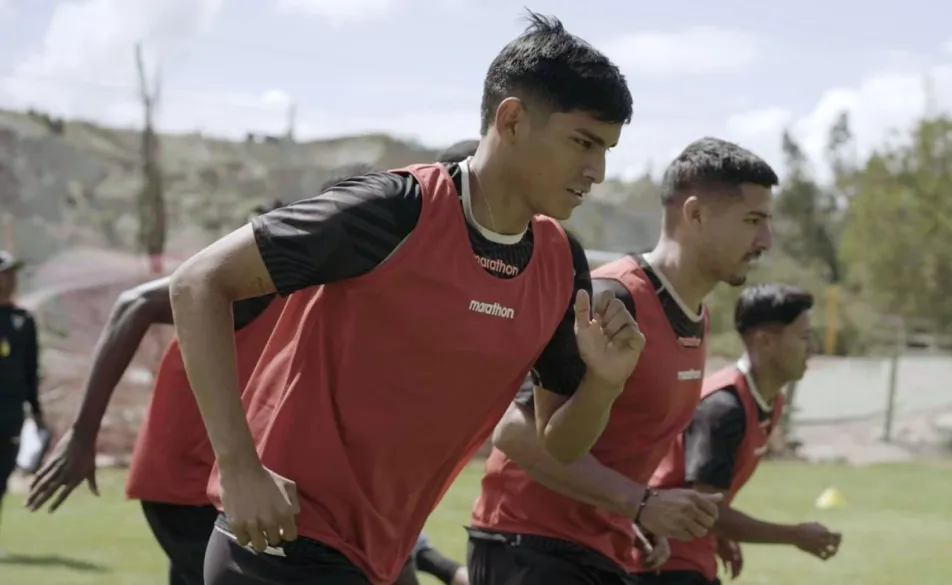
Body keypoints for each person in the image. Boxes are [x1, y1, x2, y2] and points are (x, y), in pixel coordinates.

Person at [169, 12, 643, 585]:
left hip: (381, 560)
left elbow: (560, 444)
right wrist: (240, 469)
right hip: (283, 543)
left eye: (607, 149)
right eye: (583, 142)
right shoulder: (392, 211)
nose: (597, 171)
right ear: (512, 119)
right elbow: (198, 283)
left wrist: (606, 382)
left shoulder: (562, 261)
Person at [24, 164, 369, 585]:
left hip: (231, 481)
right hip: (190, 482)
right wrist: (82, 435)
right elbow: (134, 305)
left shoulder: (333, 292)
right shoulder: (266, 279)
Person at [468, 137, 779, 585]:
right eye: (753, 220)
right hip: (529, 546)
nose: (765, 241)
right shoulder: (611, 299)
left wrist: (633, 515)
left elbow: (617, 446)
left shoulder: (698, 317)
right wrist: (640, 502)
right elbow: (514, 432)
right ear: (695, 215)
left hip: (603, 550)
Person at [638, 284, 842, 585]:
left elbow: (709, 507)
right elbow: (709, 512)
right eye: (802, 337)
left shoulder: (770, 402)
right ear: (765, 341)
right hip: (662, 561)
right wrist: (795, 535)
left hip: (691, 556)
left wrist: (720, 534)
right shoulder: (723, 409)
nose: (811, 348)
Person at [0, 250, 44, 550]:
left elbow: (30, 369)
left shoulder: (22, 319)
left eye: (13, 274)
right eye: (5, 273)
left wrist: (36, 411)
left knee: (1, 476)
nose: (10, 280)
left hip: (9, 415)